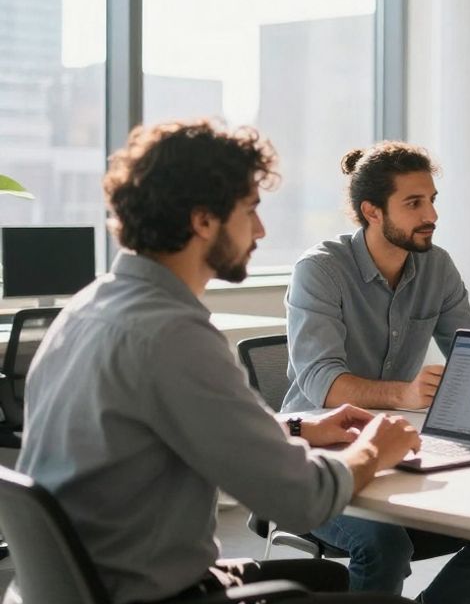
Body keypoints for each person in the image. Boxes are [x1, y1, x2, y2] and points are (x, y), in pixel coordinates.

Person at [15, 120, 422, 604]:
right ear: (203, 220)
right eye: (250, 210)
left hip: (85, 586)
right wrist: (376, 447)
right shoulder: (172, 334)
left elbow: (170, 426)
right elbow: (301, 497)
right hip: (157, 594)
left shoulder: (90, 307)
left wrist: (293, 429)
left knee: (337, 583)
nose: (262, 229)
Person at [281, 141, 470, 599]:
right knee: (384, 544)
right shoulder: (320, 270)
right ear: (372, 211)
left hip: (405, 447)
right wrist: (405, 395)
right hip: (318, 455)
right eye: (414, 203)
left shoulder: (438, 266)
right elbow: (321, 382)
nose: (430, 214)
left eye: (432, 199)